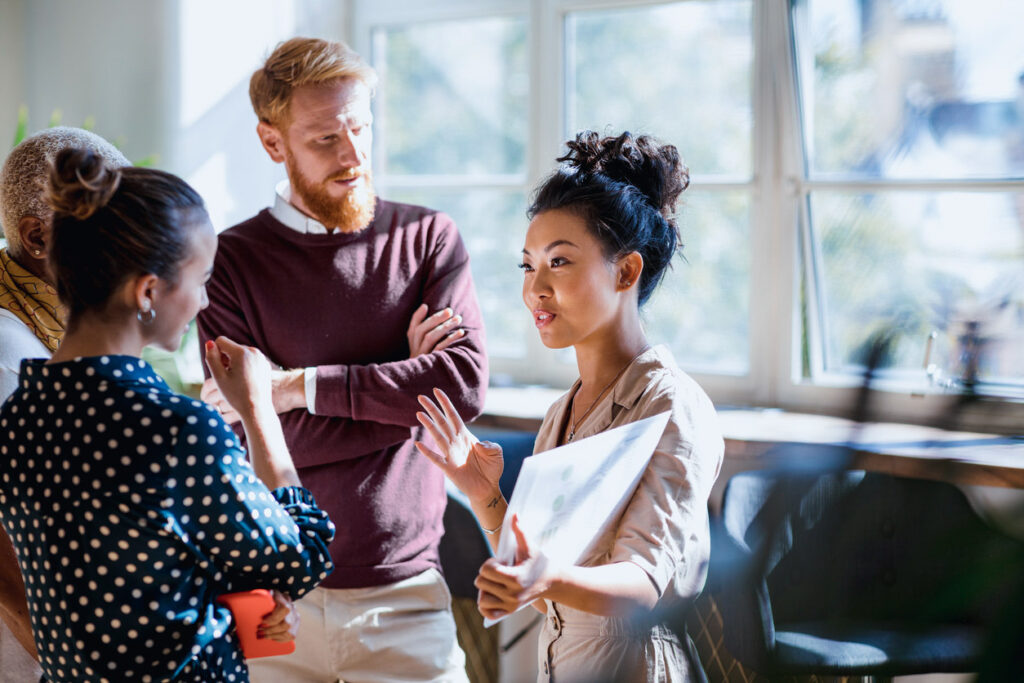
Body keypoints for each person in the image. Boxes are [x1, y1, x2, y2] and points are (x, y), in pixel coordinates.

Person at [197, 37, 486, 682]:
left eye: (361, 127)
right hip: (271, 600)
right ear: (274, 143)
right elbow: (243, 435)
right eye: (326, 138)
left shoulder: (428, 239)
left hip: (406, 596)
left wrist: (292, 388)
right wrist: (403, 402)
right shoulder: (228, 263)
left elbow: (459, 389)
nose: (353, 155)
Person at [0, 147, 336, 682]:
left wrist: (231, 607)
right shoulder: (175, 430)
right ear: (149, 291)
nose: (204, 302)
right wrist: (257, 411)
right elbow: (301, 557)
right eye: (201, 279)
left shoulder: (16, 420)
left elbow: (122, 582)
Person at [416, 131, 724, 682]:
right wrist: (484, 493)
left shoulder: (671, 406)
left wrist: (546, 578)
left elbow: (642, 585)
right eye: (527, 266)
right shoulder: (563, 412)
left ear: (626, 272)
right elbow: (539, 588)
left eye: (559, 262)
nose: (535, 288)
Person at [0, 126, 130, 679]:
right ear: (38, 238)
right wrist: (65, 655)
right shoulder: (11, 357)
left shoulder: (65, 326)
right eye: (114, 228)